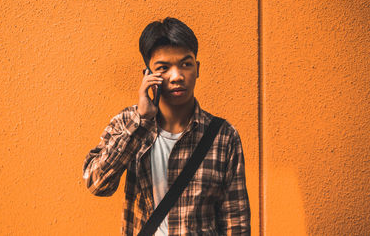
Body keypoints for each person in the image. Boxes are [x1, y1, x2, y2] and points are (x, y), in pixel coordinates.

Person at [82, 17, 251, 235]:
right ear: (147, 75)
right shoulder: (127, 123)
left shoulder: (223, 136)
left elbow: (235, 220)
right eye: (163, 67)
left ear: (197, 69)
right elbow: (97, 184)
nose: (177, 76)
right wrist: (140, 122)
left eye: (186, 64)